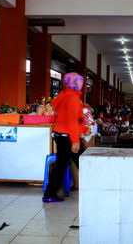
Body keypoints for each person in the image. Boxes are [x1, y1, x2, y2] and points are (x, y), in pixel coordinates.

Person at [43, 72, 88, 203]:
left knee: (61, 166)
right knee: (84, 163)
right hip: (67, 137)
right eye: (80, 82)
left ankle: (49, 194)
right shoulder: (73, 98)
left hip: (60, 134)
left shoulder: (63, 95)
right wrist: (75, 141)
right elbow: (72, 121)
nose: (81, 85)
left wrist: (83, 129)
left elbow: (68, 118)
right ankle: (96, 189)